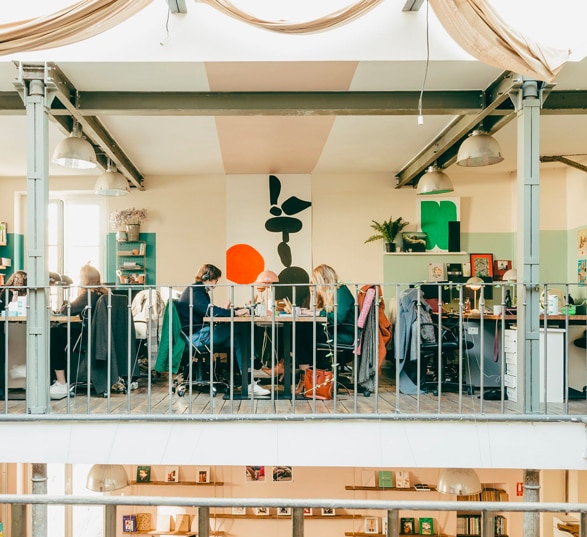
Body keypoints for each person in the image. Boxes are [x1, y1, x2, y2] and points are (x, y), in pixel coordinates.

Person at [177, 263, 270, 396]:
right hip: (194, 338)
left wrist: (226, 311)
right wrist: (235, 312)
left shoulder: (199, 291)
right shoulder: (195, 291)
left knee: (238, 337)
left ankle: (247, 382)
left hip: (200, 334)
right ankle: (256, 364)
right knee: (239, 328)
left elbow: (208, 311)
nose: (216, 283)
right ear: (207, 276)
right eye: (215, 280)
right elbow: (210, 311)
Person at [49, 263, 108, 400]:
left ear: (86, 279)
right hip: (99, 337)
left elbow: (67, 310)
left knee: (54, 333)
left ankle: (61, 382)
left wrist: (62, 308)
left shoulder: (89, 294)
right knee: (59, 332)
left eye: (81, 277)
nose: (79, 280)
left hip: (88, 337)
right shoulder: (102, 293)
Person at [295, 264, 355, 373]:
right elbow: (328, 313)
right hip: (335, 331)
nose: (313, 286)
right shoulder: (332, 293)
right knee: (300, 332)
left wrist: (318, 312)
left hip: (344, 334)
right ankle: (308, 375)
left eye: (315, 282)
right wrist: (314, 310)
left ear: (324, 280)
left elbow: (338, 318)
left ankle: (306, 376)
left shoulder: (341, 291)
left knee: (301, 334)